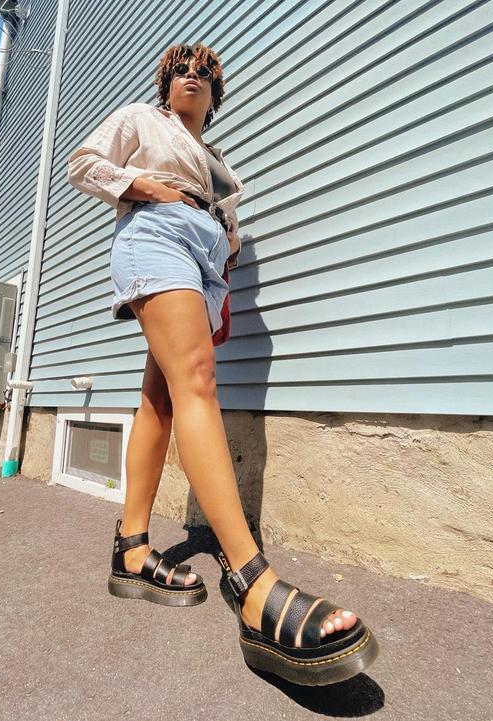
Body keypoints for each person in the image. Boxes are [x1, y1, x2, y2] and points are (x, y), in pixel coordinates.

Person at [67, 42, 379, 686]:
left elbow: (227, 233)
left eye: (203, 74)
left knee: (160, 399)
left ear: (215, 94)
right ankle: (251, 579)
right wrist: (151, 188)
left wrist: (225, 265)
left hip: (205, 266)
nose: (191, 77)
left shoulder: (217, 163)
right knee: (197, 385)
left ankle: (131, 550)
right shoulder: (140, 120)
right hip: (157, 234)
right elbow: (84, 164)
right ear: (165, 85)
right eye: (180, 71)